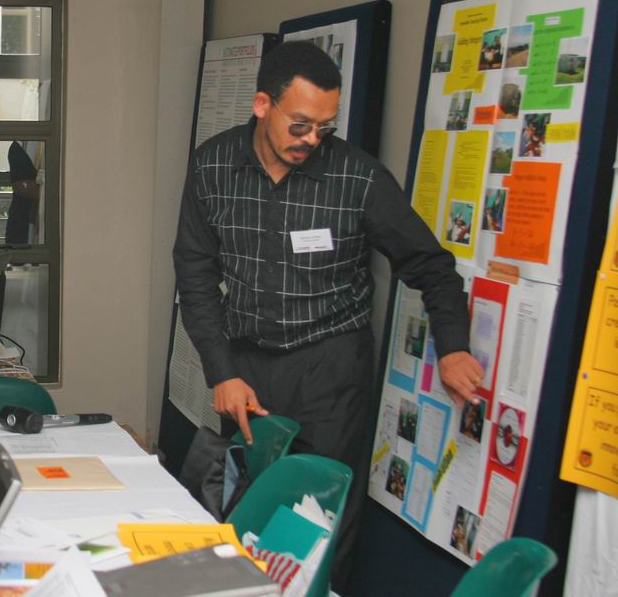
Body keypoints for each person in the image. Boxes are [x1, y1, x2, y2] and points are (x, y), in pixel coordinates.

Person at [172, 41, 483, 589]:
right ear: (262, 105)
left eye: (324, 127)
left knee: (320, 518)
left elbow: (431, 265)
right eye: (300, 125)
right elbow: (195, 275)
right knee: (247, 507)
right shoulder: (212, 165)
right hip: (246, 368)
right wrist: (221, 371)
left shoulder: (358, 178)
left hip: (330, 369)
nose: (312, 139)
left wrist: (454, 345)